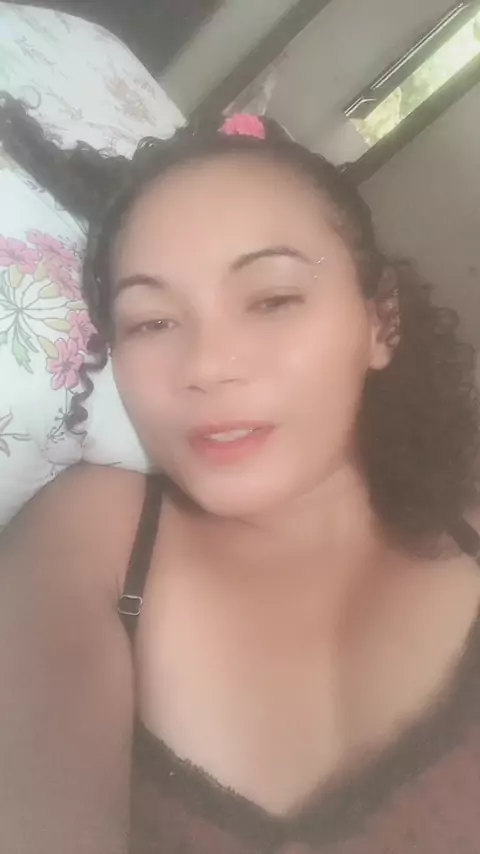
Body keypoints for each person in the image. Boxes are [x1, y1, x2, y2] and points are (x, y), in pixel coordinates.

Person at [1, 96, 480, 854]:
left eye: (272, 299)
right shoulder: (96, 535)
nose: (207, 365)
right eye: (153, 321)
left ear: (380, 323)